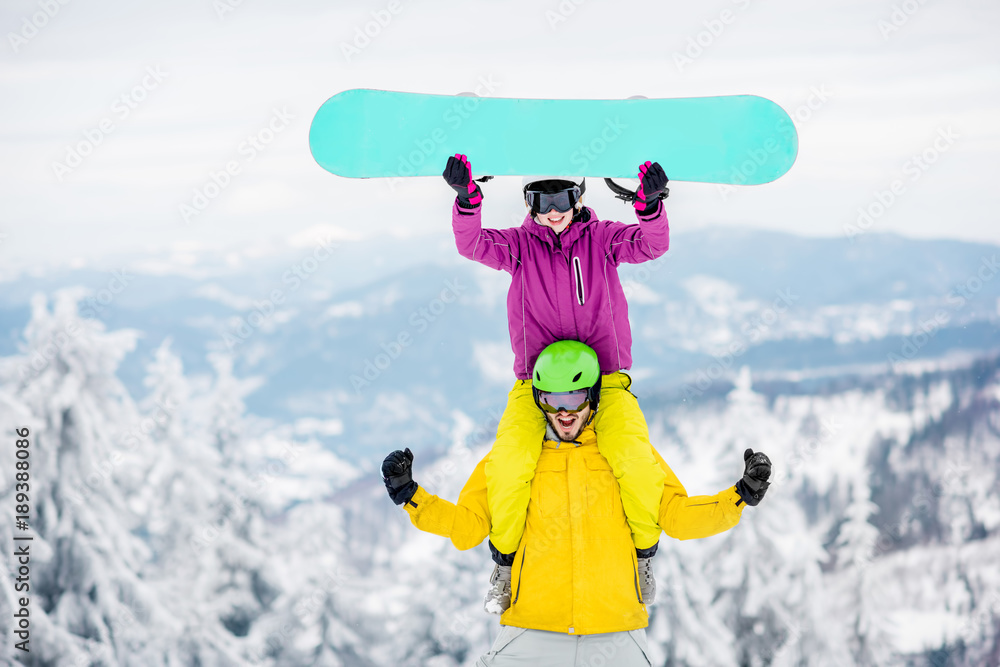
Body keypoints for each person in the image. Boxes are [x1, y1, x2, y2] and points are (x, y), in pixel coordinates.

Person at [381, 341, 772, 667]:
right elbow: (468, 527)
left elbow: (677, 517)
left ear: (593, 396)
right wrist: (411, 495)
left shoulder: (625, 456)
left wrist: (740, 495)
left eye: (574, 397)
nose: (564, 412)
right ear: (538, 399)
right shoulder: (514, 459)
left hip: (615, 633)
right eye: (551, 400)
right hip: (533, 630)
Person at [443, 154, 672, 611]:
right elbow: (471, 245)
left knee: (632, 458)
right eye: (541, 198)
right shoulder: (518, 247)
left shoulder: (603, 238)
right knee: (510, 465)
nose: (553, 209)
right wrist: (468, 200)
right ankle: (505, 564)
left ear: (578, 196)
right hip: (536, 384)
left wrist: (649, 207)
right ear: (529, 202)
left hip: (606, 380)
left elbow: (651, 246)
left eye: (562, 196)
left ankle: (643, 555)